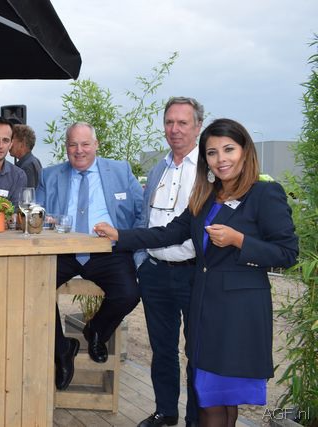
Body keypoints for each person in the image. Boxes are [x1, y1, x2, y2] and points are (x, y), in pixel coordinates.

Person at [95, 119, 298, 427]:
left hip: (238, 315)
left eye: (229, 150)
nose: (221, 159)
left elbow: (287, 253)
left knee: (216, 400)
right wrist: (119, 236)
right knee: (212, 398)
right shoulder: (205, 197)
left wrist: (239, 240)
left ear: (245, 152)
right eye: (212, 153)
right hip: (204, 309)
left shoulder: (264, 193)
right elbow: (167, 233)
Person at [36, 122, 143, 390]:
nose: (79, 150)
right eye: (73, 144)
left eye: (85, 144)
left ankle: (96, 331)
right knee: (33, 287)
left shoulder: (120, 171)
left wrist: (129, 241)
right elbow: (36, 213)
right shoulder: (49, 175)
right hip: (63, 249)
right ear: (66, 147)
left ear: (96, 145)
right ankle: (62, 349)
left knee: (129, 293)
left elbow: (142, 212)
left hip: (108, 250)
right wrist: (44, 220)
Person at [136, 97, 204, 427]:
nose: (174, 129)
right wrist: (141, 262)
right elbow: (144, 218)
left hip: (193, 274)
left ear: (198, 127)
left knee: (198, 352)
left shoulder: (207, 170)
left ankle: (195, 419)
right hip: (155, 274)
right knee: (162, 349)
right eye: (169, 122)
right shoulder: (157, 168)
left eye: (182, 123)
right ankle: (166, 412)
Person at [10, 124, 43, 188]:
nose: (9, 144)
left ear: (22, 144)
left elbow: (27, 193)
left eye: (12, 140)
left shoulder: (27, 166)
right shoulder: (33, 161)